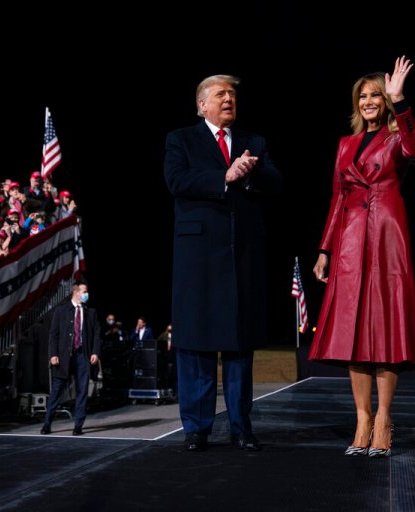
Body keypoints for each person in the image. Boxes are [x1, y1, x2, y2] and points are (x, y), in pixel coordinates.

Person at [308, 56, 415, 458]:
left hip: (388, 234)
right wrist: (324, 249)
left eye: (376, 95)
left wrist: (402, 102)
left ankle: (384, 418)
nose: (369, 101)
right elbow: (337, 198)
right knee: (352, 332)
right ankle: (361, 417)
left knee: (384, 329)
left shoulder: (398, 135)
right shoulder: (344, 145)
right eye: (364, 96)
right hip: (351, 240)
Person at [164, 74, 283, 452]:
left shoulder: (254, 142)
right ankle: (196, 428)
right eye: (221, 94)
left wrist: (250, 176)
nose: (229, 98)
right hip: (198, 260)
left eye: (232, 93)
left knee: (238, 345)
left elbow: (276, 182)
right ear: (202, 104)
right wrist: (224, 176)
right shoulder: (180, 139)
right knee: (196, 344)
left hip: (241, 257)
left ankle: (240, 426)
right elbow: (176, 181)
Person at [40, 283, 101, 436]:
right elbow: (53, 334)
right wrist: (52, 354)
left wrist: (95, 352)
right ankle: (47, 423)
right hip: (64, 357)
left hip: (82, 356)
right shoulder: (61, 311)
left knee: (82, 391)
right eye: (84, 291)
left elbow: (96, 334)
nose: (87, 294)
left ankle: (78, 426)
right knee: (57, 390)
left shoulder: (90, 313)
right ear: (76, 292)